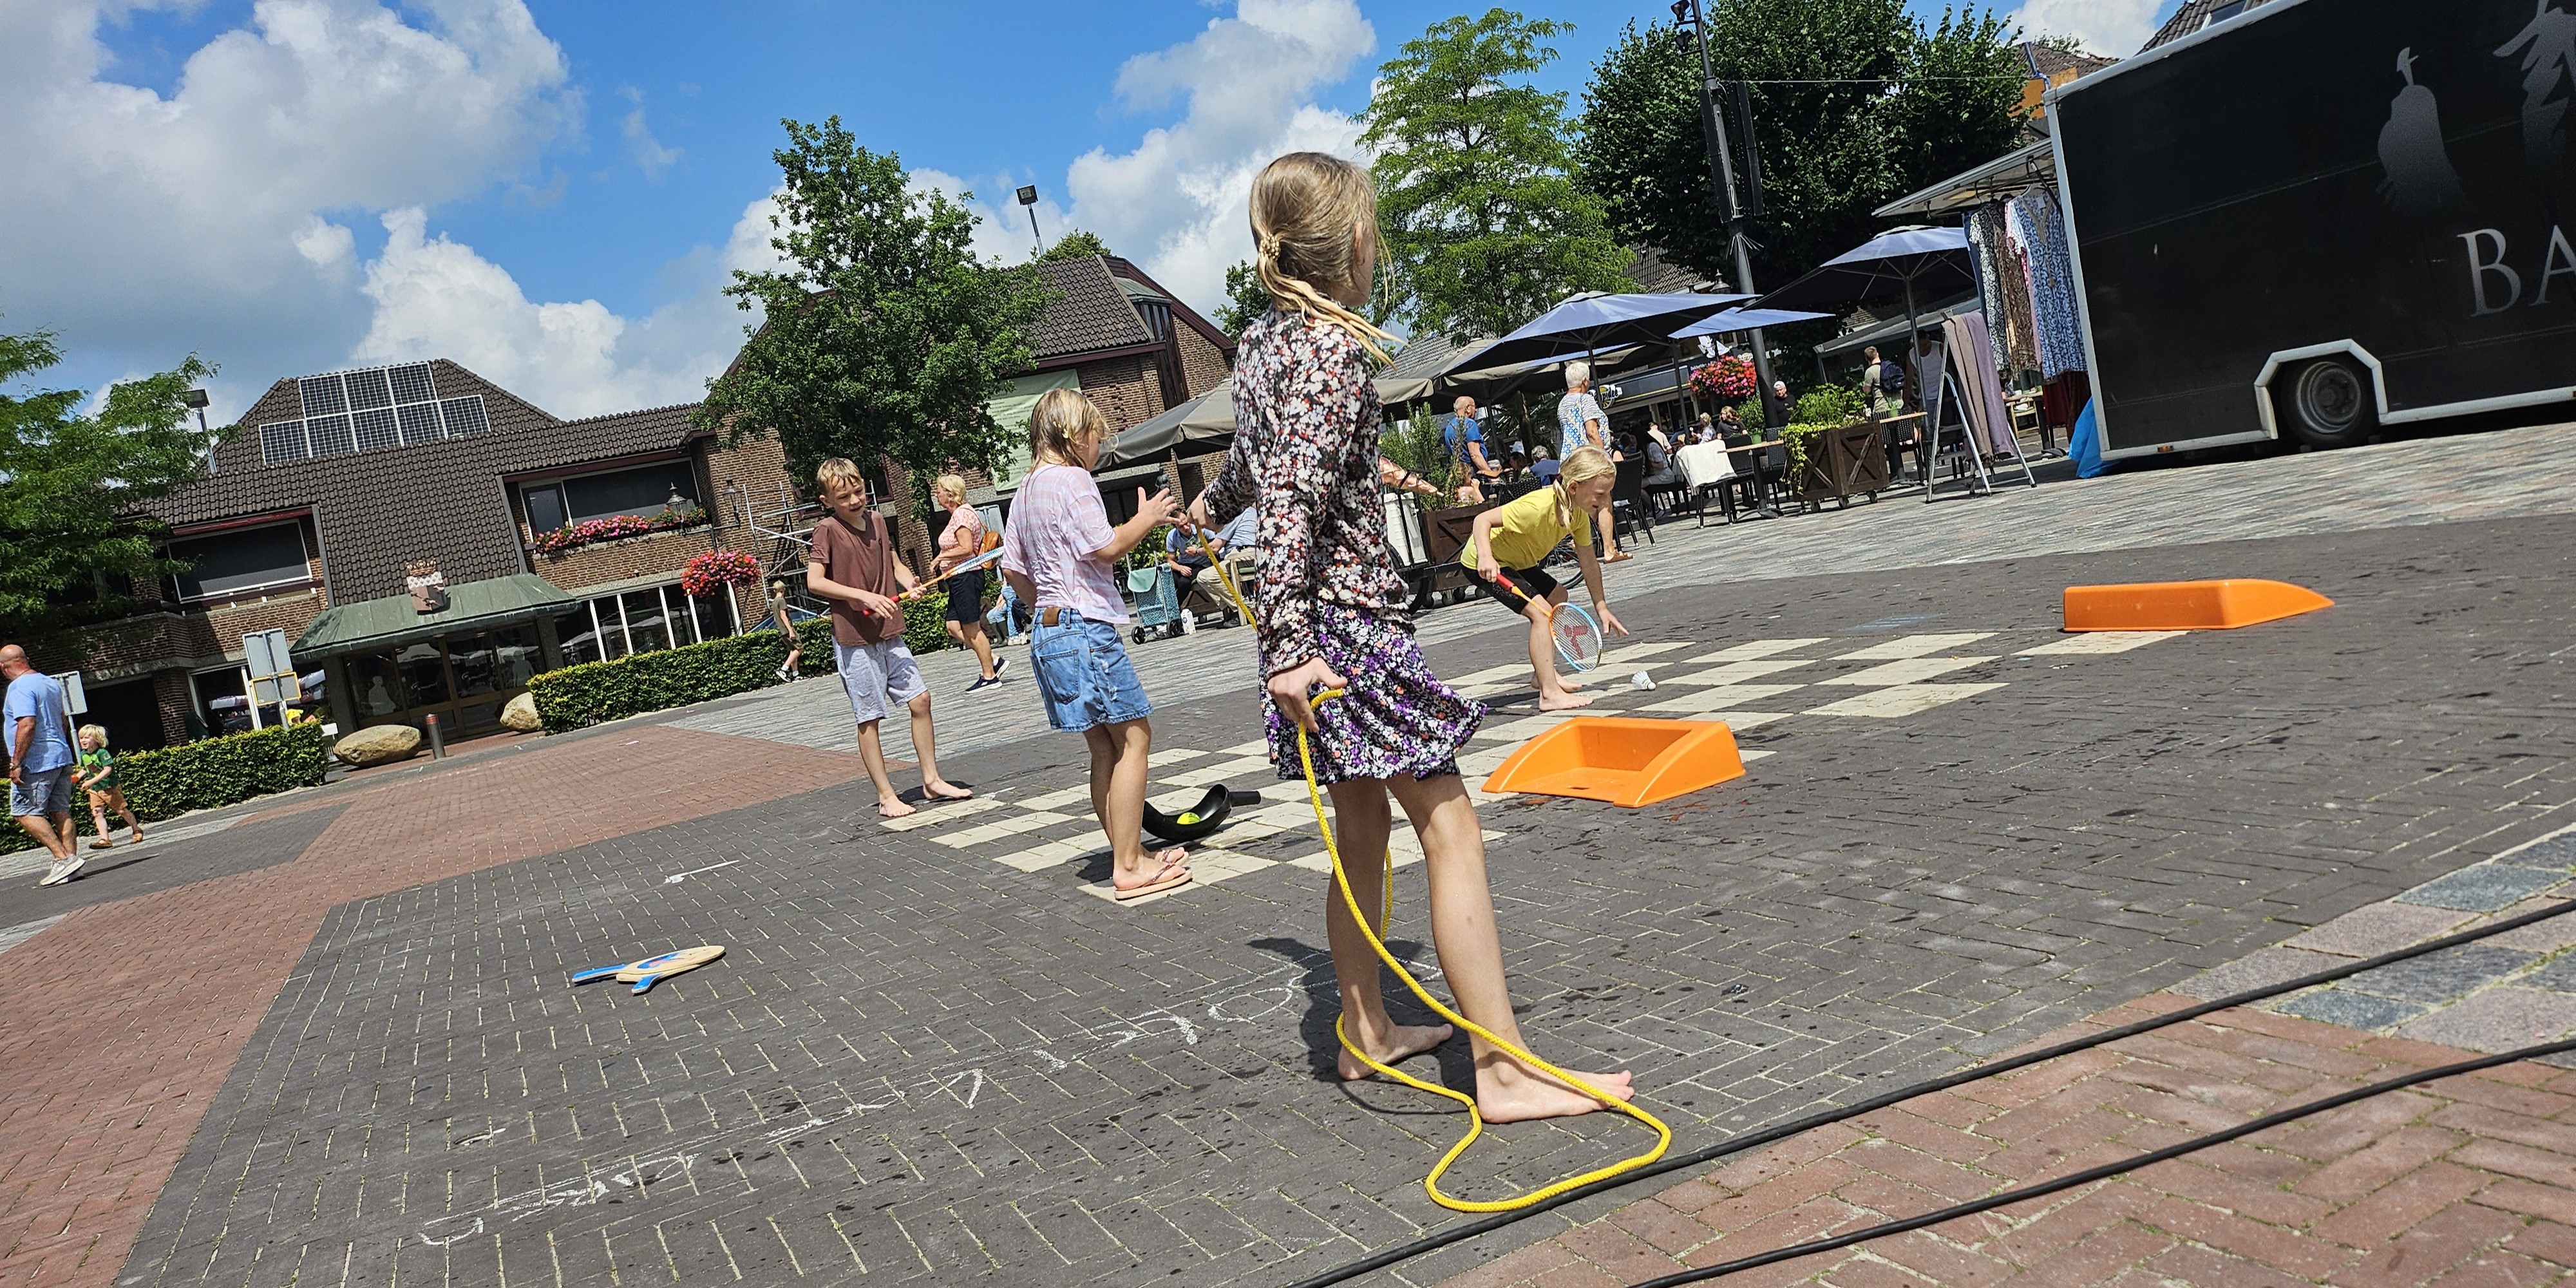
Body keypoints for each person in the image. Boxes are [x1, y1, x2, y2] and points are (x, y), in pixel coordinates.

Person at [1191, 149, 1635, 1122]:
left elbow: (1257, 467)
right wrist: (1286, 652)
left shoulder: (1264, 344)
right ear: (1354, 243)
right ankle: (1506, 1069)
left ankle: (1364, 1030)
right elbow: (1297, 502)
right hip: (1341, 632)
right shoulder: (1325, 354)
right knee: (1451, 827)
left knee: (1361, 830)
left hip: (1318, 628)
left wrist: (1206, 504)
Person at [999, 388, 1193, 900]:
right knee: (1134, 738)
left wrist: (1047, 603)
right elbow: (1104, 548)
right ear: (1071, 435)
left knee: (1103, 746)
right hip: (1085, 629)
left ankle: (1128, 853)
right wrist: (1146, 519)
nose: (1098, 446)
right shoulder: (1073, 480)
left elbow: (1013, 569)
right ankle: (1128, 866)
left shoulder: (1025, 490)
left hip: (1050, 630)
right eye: (1094, 435)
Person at [805, 459, 973, 819]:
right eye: (844, 496)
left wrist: (908, 581)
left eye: (858, 492)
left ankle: (931, 780)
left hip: (890, 631)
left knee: (921, 700)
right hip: (854, 639)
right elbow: (814, 582)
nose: (854, 500)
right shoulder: (826, 530)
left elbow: (893, 561)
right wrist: (861, 596)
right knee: (869, 717)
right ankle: (886, 796)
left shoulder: (879, 521)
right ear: (826, 500)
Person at [1467, 447, 1629, 711]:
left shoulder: (1576, 514)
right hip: (1483, 561)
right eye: (1601, 493)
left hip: (1517, 561)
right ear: (1574, 487)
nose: (1606, 500)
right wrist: (1486, 557)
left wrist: (1602, 607)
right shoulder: (1538, 507)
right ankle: (1549, 694)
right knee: (1541, 613)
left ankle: (1541, 673)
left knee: (1558, 598)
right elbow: (1482, 520)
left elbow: (1588, 561)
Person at [2, 645, 80, 886]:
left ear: (4, 667)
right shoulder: (49, 683)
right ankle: (71, 864)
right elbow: (63, 720)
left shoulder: (19, 688)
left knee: (23, 811)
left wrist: (16, 763)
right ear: (26, 660)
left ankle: (62, 858)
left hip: (37, 762)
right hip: (61, 755)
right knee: (60, 811)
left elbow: (27, 724)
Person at [930, 475, 1005, 692]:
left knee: (972, 628)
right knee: (953, 626)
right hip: (957, 578)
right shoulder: (959, 514)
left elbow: (965, 548)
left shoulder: (962, 515)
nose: (937, 494)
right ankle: (993, 658)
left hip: (966, 576)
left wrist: (940, 557)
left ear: (951, 494)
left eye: (940, 490)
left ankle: (989, 676)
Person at [1166, 504, 1257, 625]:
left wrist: (1198, 551)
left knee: (1194, 580)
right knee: (1170, 579)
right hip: (1247, 554)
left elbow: (1215, 546)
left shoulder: (1234, 516)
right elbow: (1170, 560)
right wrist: (1180, 567)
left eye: (1186, 523)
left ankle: (1240, 609)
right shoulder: (1251, 512)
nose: (1186, 527)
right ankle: (1169, 615)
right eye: (1181, 526)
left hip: (1238, 555)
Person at [73, 724, 141, 850]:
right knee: (97, 812)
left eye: (87, 738)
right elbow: (85, 769)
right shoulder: (83, 754)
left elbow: (108, 770)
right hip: (95, 789)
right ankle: (105, 839)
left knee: (121, 810)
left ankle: (136, 829)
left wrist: (91, 781)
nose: (83, 740)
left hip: (109, 787)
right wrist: (77, 778)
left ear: (97, 739)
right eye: (81, 738)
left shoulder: (102, 753)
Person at [1442, 396, 1497, 504]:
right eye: (1474, 407)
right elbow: (1475, 455)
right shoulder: (1470, 424)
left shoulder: (1449, 428)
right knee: (1483, 504)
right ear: (1467, 408)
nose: (1476, 410)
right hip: (1474, 474)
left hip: (1460, 473)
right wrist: (1491, 476)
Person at [1556, 361, 1607, 459]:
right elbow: (1592, 433)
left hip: (1572, 459)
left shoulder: (1562, 404)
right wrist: (1604, 458)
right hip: (1589, 458)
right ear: (1584, 381)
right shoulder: (1586, 399)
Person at [766, 580, 804, 682]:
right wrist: (791, 630)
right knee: (800, 648)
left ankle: (795, 674)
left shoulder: (774, 602)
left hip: (782, 630)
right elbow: (784, 616)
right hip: (787, 629)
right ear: (784, 589)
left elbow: (775, 618)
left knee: (793, 650)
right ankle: (784, 669)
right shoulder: (782, 601)